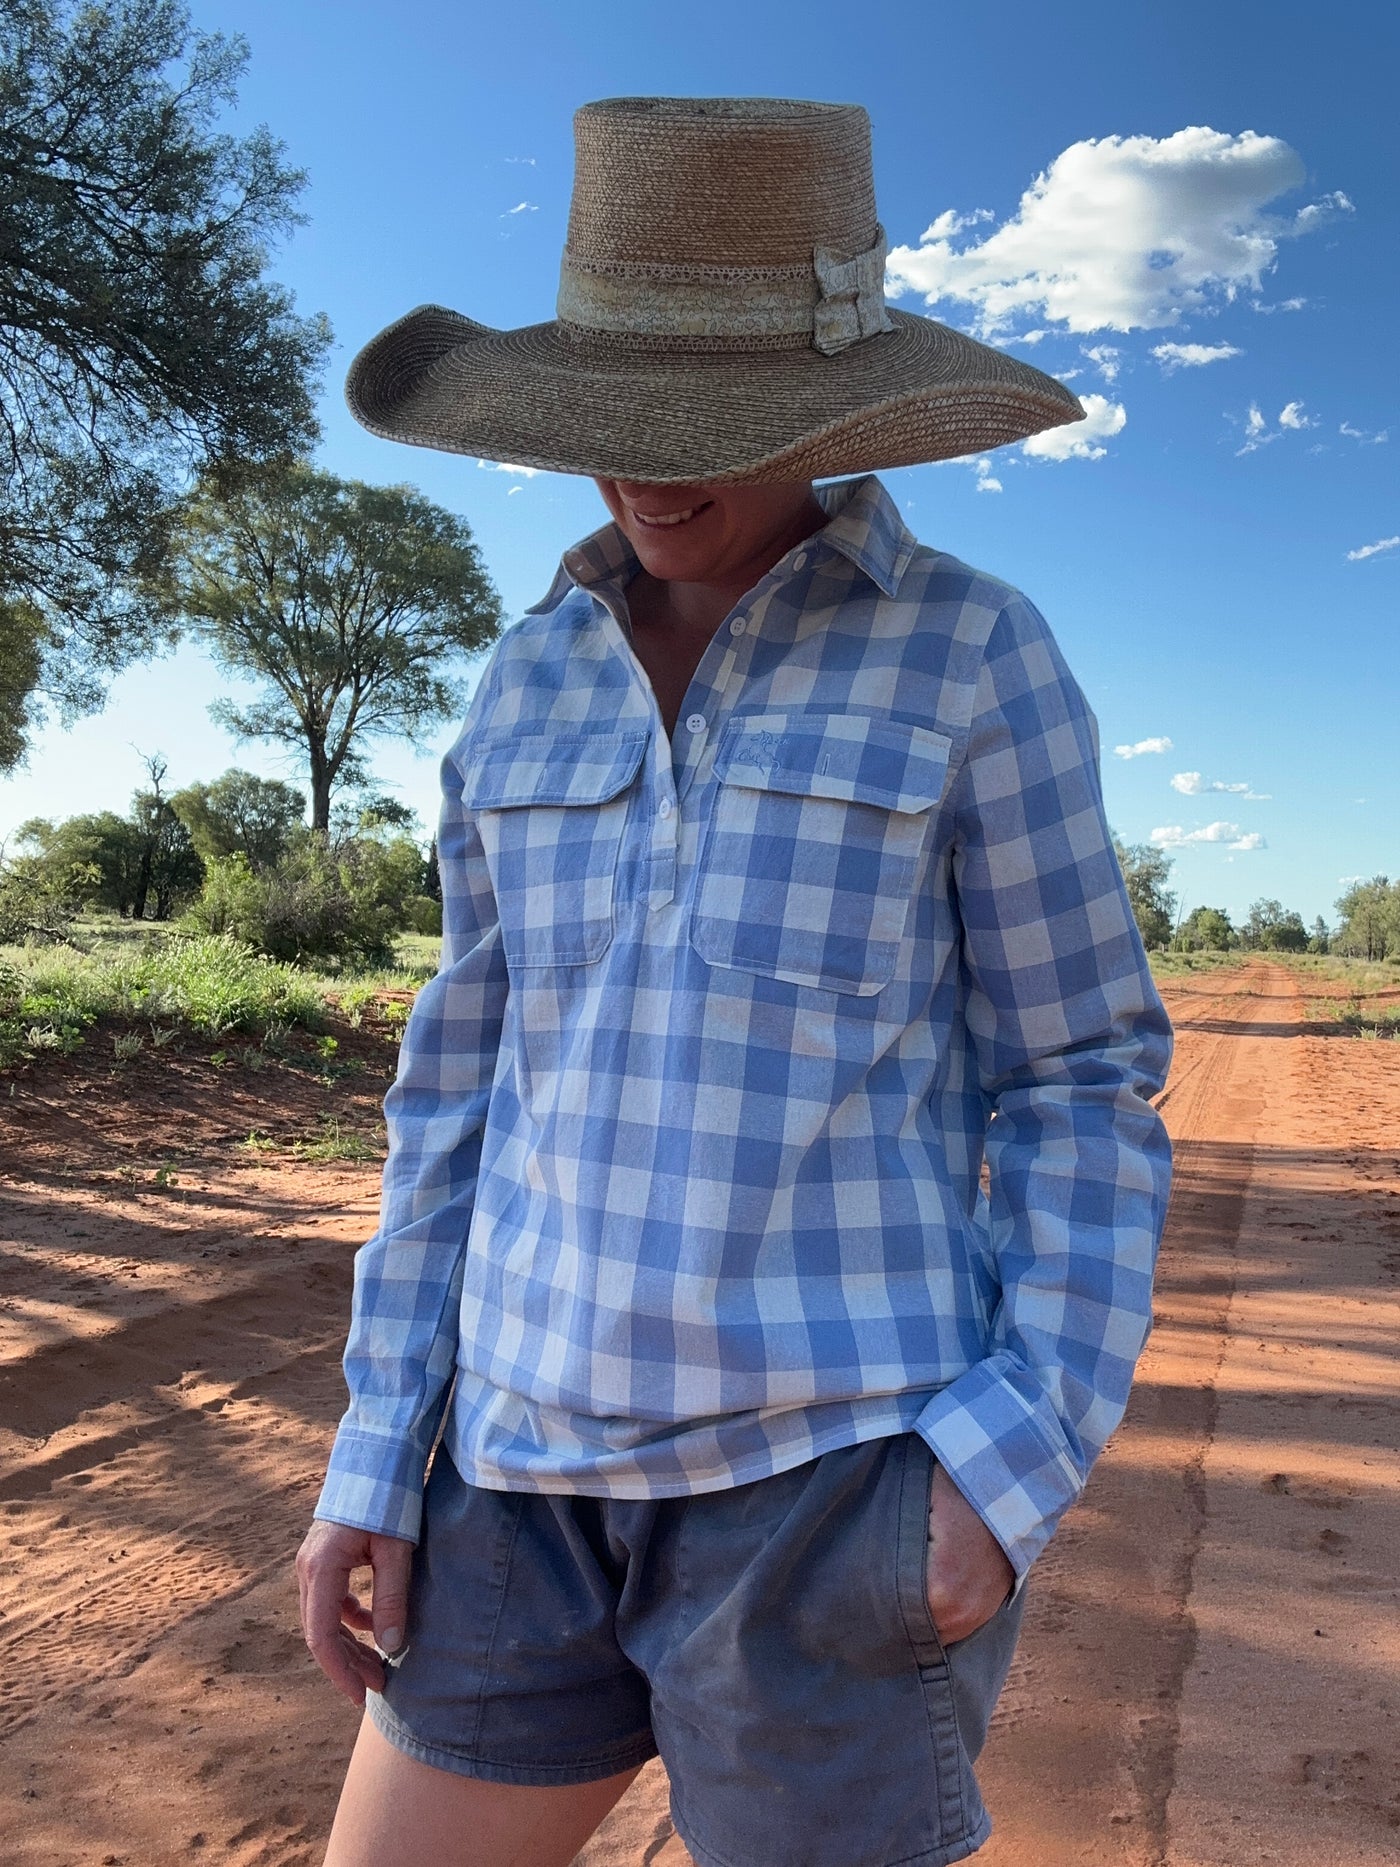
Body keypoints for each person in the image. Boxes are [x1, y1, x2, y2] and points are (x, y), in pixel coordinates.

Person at [297, 96, 1173, 1867]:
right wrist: (377, 1451)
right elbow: (454, 1089)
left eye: (709, 423)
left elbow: (1083, 1074)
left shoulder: (972, 652)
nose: (645, 467)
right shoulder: (523, 681)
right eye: (608, 421)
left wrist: (1007, 1468)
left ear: (832, 420)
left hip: (834, 1491)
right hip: (509, 1482)